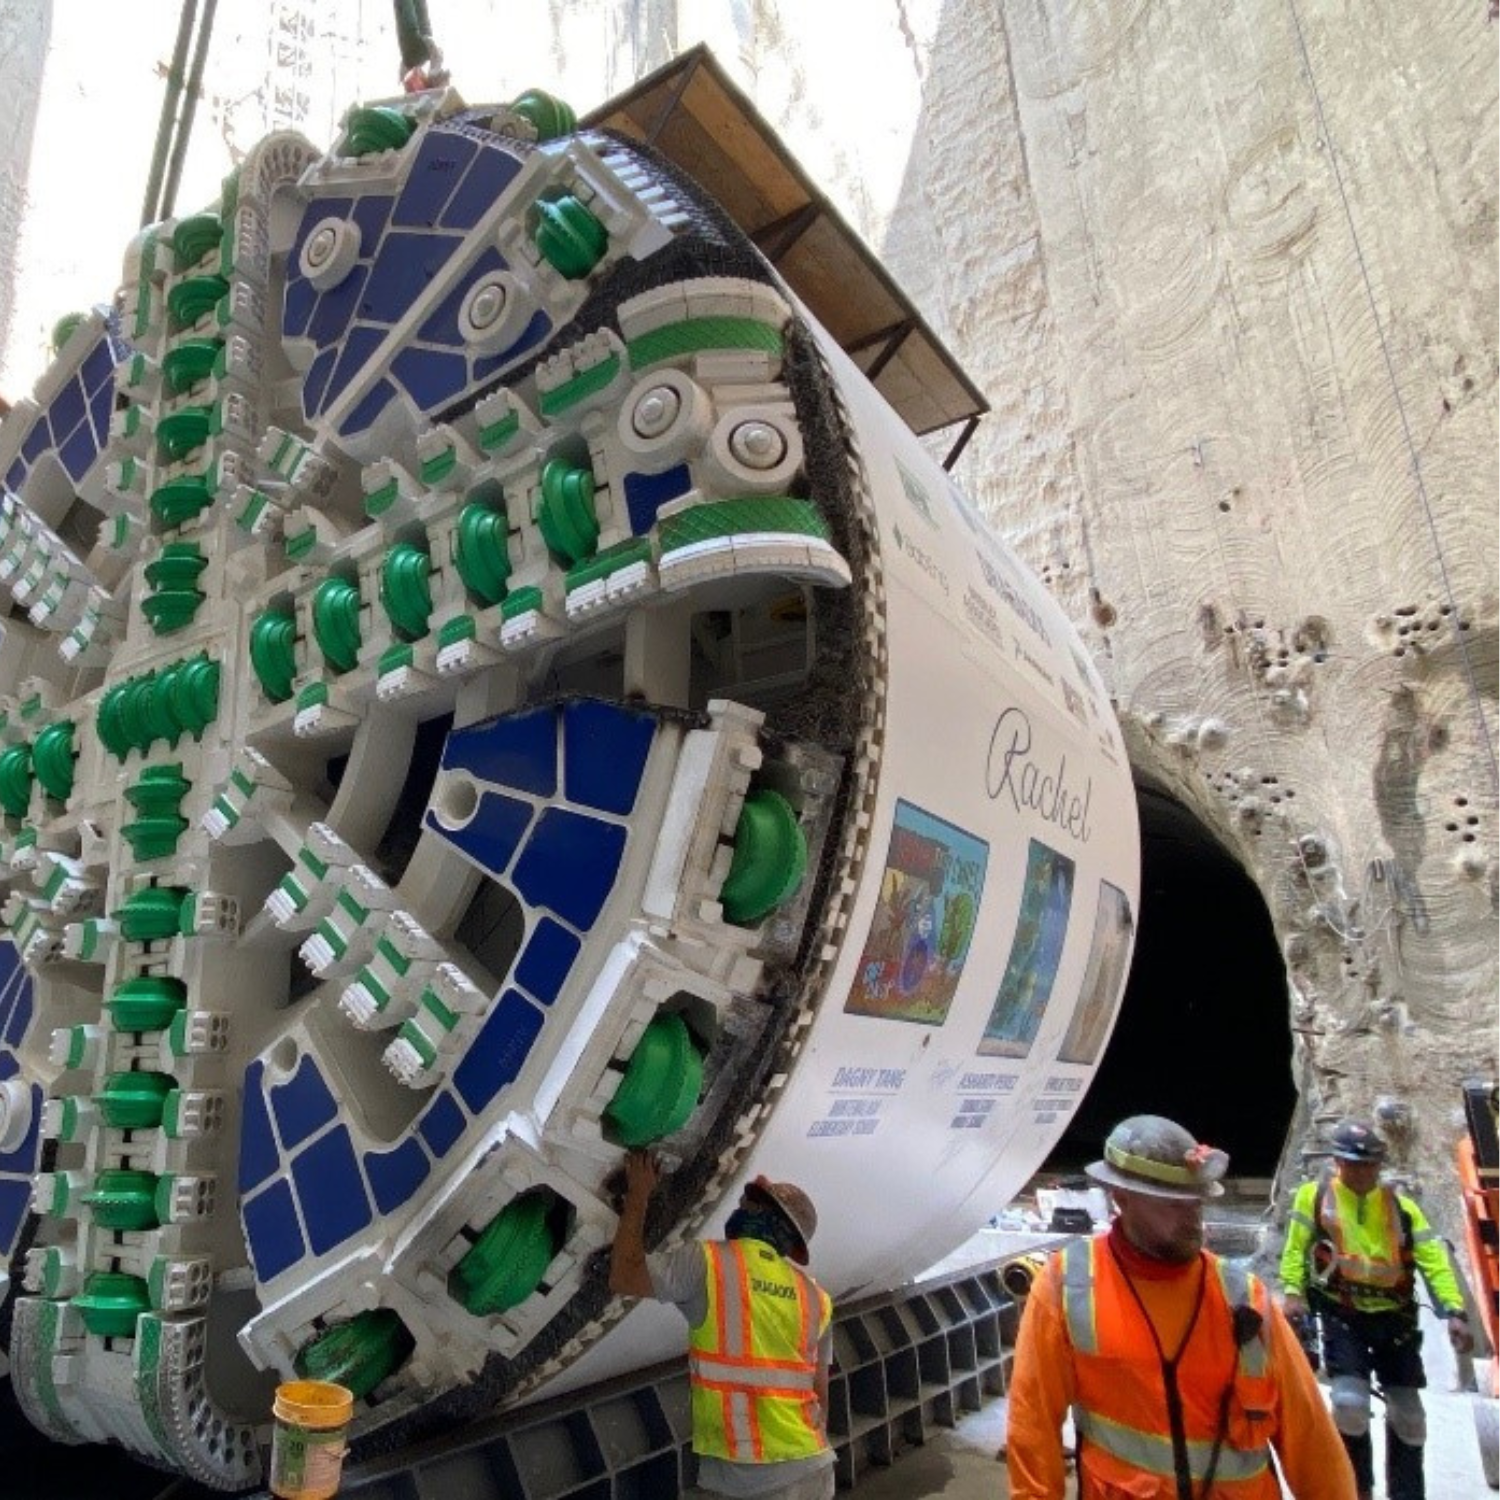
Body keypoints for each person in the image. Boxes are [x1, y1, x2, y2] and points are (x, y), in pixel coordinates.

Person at [1006, 1113, 1357, 1499]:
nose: (1193, 1218)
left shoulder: (1245, 1300)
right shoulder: (1068, 1286)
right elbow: (1032, 1428)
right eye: (1174, 1204)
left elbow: (1312, 1443)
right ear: (1121, 1198)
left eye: (1197, 1201)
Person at [609, 1150, 835, 1500]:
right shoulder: (815, 1297)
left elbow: (625, 1275)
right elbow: (820, 1395)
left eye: (750, 1202)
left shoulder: (708, 1262)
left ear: (762, 1214)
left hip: (744, 1480)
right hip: (811, 1468)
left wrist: (638, 1195)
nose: (741, 1205)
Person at [1279, 1117, 1474, 1500]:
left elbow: (1433, 1259)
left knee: (1410, 1419)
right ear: (1338, 1163)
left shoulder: (1400, 1208)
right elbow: (1295, 1247)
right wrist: (1292, 1292)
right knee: (1350, 1408)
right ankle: (1355, 1490)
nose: (1362, 1172)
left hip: (1395, 1319)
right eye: (1354, 1163)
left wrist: (1454, 1310)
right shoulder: (1315, 1198)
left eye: (1369, 1164)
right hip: (1343, 1315)